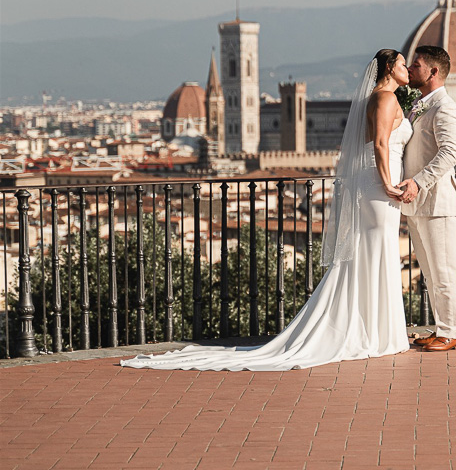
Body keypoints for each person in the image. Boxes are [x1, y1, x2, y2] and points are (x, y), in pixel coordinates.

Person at [121, 49, 412, 372]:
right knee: (378, 252)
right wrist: (389, 183)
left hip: (370, 183)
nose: (407, 69)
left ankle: (374, 330)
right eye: (402, 64)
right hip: (379, 184)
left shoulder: (377, 98)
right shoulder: (384, 99)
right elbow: (382, 145)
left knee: (371, 254)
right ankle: (377, 331)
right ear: (389, 68)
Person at [398, 45, 456, 352]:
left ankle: (452, 332)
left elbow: (450, 153)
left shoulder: (445, 108)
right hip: (419, 203)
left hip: (439, 203)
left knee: (444, 271)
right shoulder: (423, 105)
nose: (411, 69)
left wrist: (418, 181)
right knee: (429, 272)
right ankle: (442, 328)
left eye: (417, 65)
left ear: (433, 72)